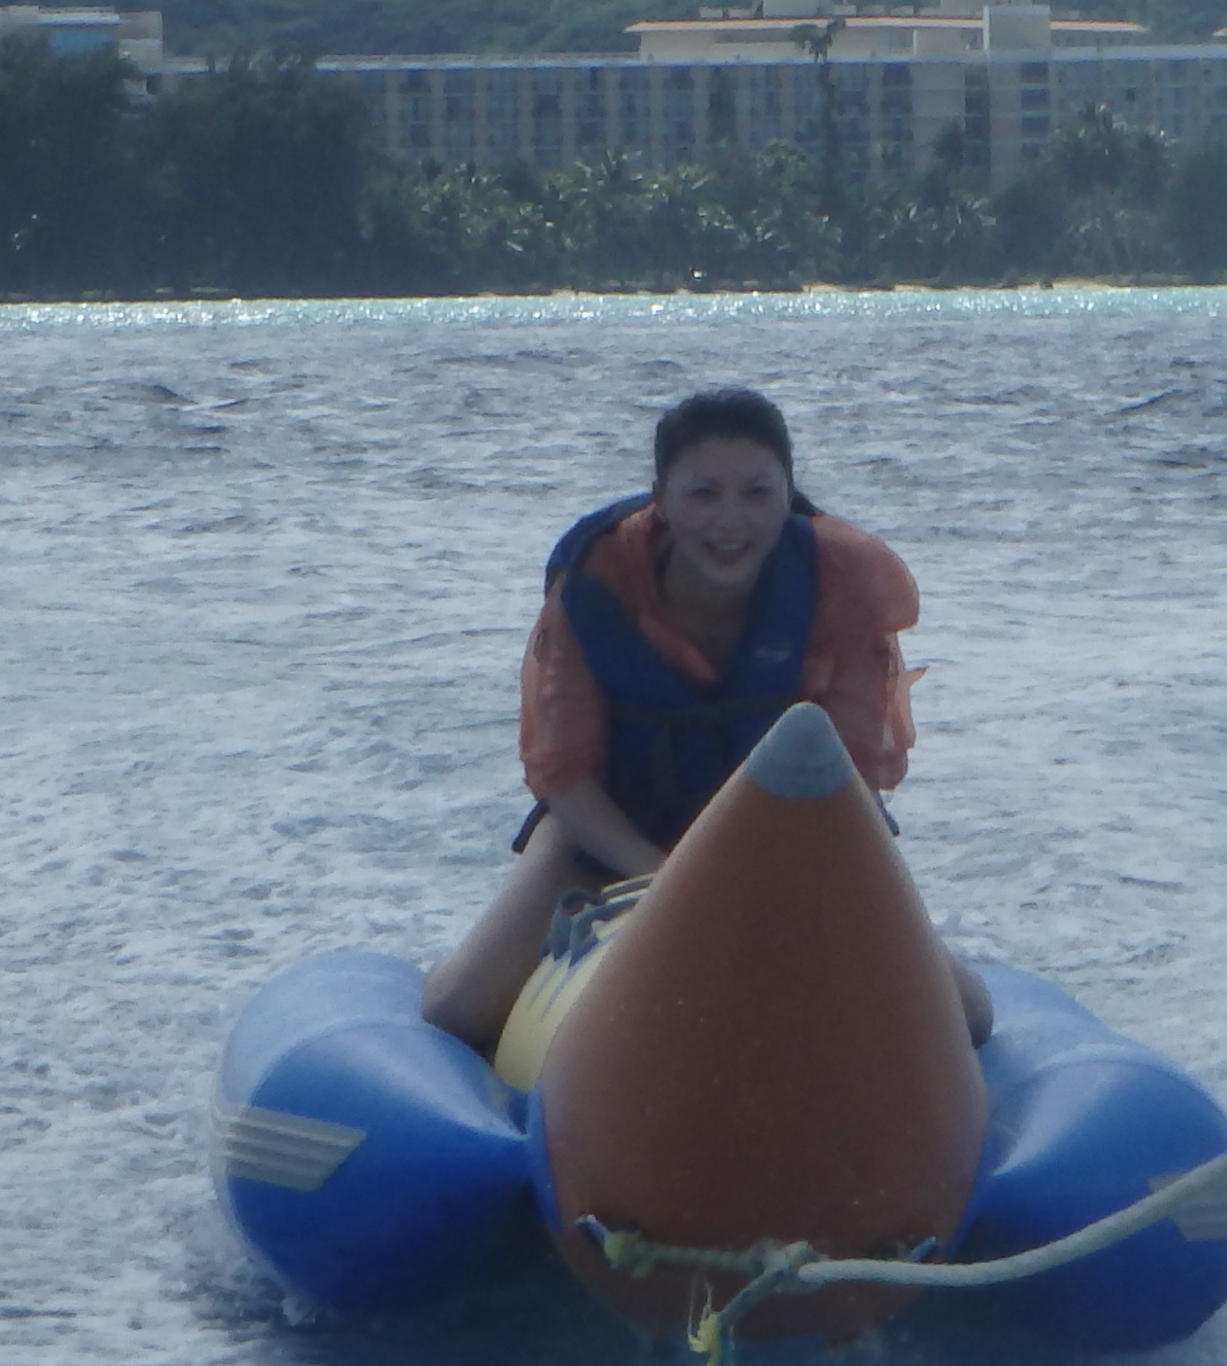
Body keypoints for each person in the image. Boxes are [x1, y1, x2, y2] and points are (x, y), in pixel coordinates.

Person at [421, 385, 988, 1050]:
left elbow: (856, 774)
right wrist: (664, 883)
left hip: (795, 829)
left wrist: (770, 880)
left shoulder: (842, 583)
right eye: (703, 494)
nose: (731, 522)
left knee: (968, 1018)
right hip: (614, 830)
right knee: (456, 1010)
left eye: (757, 492)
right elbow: (563, 775)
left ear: (789, 494)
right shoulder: (597, 580)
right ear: (661, 498)